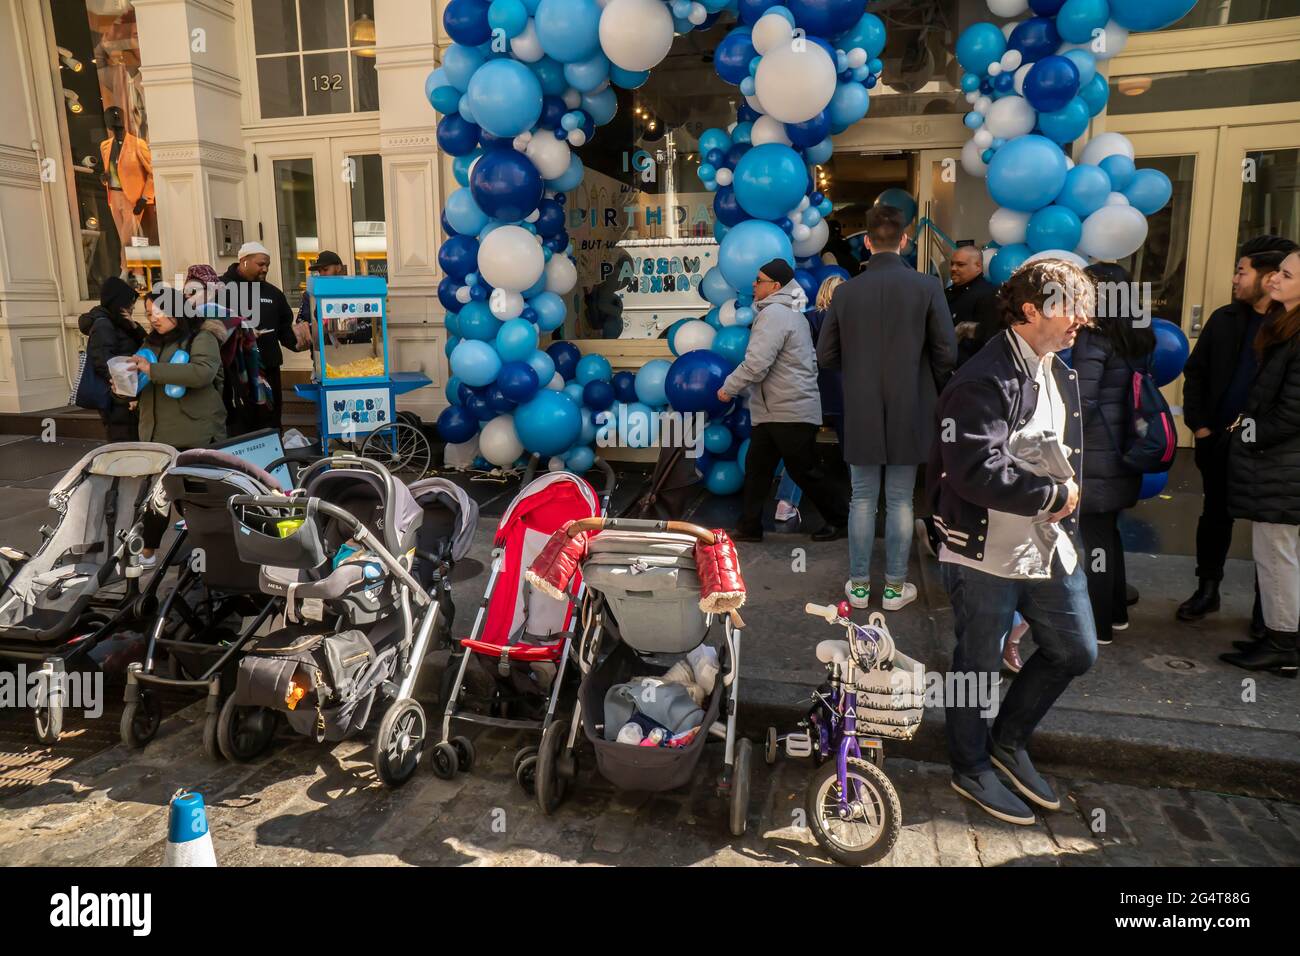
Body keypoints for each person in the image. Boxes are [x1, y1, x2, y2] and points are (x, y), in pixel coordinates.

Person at [929, 258, 1095, 825]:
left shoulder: (1057, 367)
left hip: (1046, 545)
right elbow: (975, 470)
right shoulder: (981, 377)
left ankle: (1006, 741)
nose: (1085, 319)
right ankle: (969, 764)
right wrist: (1053, 497)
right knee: (976, 666)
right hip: (985, 551)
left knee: (1075, 650)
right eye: (1073, 305)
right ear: (1032, 309)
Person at [818, 204, 957, 611]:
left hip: (860, 404)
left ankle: (859, 587)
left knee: (861, 497)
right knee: (900, 499)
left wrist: (858, 371)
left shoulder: (846, 292)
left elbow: (825, 355)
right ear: (904, 240)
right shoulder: (927, 287)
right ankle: (895, 588)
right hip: (911, 403)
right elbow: (946, 352)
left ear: (866, 242)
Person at [1179, 236, 1299, 626]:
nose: (1234, 279)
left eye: (1241, 271)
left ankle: (1270, 617)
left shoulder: (1288, 326)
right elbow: (1195, 373)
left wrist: (1255, 435)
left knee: (1271, 534)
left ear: (1266, 278)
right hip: (1218, 440)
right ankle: (1207, 590)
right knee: (1214, 516)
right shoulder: (1224, 320)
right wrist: (1199, 427)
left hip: (1269, 448)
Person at [718, 259, 849, 543]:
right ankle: (749, 527)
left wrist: (729, 387)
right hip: (776, 409)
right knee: (758, 469)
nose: (754, 284)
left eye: (759, 280)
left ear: (775, 286)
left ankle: (840, 520)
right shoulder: (787, 312)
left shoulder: (775, 314)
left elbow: (757, 363)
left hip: (788, 410)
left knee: (804, 470)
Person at [1222, 249, 1300, 677]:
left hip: (1283, 467)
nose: (1275, 280)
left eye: (1286, 276)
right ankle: (1280, 636)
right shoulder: (1284, 325)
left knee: (1277, 555)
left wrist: (1246, 437)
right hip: (1279, 464)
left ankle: (1283, 645)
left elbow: (1291, 413)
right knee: (1278, 554)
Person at [1073, 263, 1157, 647]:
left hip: (1094, 452)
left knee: (1094, 540)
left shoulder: (1094, 337)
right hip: (1125, 448)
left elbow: (1083, 400)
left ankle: (1098, 625)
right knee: (1109, 533)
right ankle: (1117, 614)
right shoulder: (1139, 335)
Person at [121, 286, 228, 565]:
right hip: (159, 433)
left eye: (161, 311)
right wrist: (125, 387)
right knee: (157, 498)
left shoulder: (202, 337)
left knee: (197, 499)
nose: (154, 318)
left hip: (196, 432)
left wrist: (151, 370)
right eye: (149, 313)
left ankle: (214, 554)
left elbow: (202, 373)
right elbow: (143, 378)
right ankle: (147, 552)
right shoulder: (150, 342)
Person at [774, 274, 847, 524]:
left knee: (801, 453)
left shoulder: (807, 320)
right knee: (855, 452)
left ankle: (786, 504)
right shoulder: (851, 321)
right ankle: (862, 503)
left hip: (810, 395)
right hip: (844, 396)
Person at [219, 241, 306, 432]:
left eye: (268, 264)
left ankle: (274, 457)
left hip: (269, 366)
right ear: (244, 261)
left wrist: (301, 342)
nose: (265, 269)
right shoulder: (220, 288)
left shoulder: (273, 293)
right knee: (239, 422)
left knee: (271, 419)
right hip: (235, 370)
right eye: (261, 264)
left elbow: (285, 329)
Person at [79, 276, 145, 442]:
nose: (131, 309)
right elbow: (105, 363)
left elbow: (146, 345)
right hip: (117, 396)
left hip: (125, 392)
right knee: (124, 440)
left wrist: (135, 326)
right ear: (119, 304)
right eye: (129, 304)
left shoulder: (120, 323)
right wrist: (126, 395)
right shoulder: (104, 325)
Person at [946, 245, 1000, 366]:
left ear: (978, 266)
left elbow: (990, 338)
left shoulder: (989, 294)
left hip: (970, 368)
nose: (953, 268)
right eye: (952, 264)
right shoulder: (946, 293)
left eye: (960, 265)